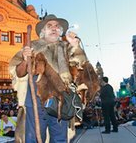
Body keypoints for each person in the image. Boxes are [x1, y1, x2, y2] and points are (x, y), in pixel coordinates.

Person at [9, 14, 88, 142]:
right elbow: (20, 73)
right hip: (37, 98)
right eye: (49, 26)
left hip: (60, 100)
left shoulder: (66, 47)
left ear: (60, 31)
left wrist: (75, 46)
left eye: (57, 26)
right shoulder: (32, 46)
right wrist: (25, 60)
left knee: (59, 139)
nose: (54, 28)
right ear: (43, 31)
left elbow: (80, 69)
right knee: (33, 138)